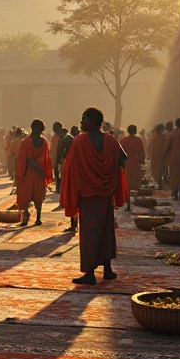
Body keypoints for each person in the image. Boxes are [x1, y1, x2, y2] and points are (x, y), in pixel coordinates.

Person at [60, 107, 128, 285]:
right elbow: (123, 159)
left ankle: (89, 273)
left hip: (88, 196)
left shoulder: (80, 142)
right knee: (106, 231)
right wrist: (108, 174)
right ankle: (108, 270)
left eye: (84, 119)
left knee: (90, 233)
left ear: (92, 121)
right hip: (105, 195)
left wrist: (87, 176)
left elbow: (71, 167)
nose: (81, 122)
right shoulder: (111, 141)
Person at [16, 121, 52, 226]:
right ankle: (35, 217)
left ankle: (34, 216)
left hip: (30, 173)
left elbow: (26, 159)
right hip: (36, 172)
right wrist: (40, 169)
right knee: (36, 195)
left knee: (33, 196)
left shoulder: (26, 142)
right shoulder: (41, 142)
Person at [120, 124, 146, 212]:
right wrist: (141, 161)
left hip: (127, 163)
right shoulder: (139, 140)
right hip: (135, 162)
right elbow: (142, 153)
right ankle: (134, 202)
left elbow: (120, 154)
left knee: (127, 183)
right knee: (135, 181)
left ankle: (128, 203)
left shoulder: (124, 140)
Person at [148, 123, 166, 189]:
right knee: (159, 172)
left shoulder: (154, 139)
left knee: (157, 172)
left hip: (157, 158)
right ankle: (159, 182)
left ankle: (159, 182)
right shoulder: (163, 138)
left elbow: (150, 149)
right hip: (160, 158)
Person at [6, 128, 22, 192]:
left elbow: (11, 152)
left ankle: (17, 186)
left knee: (16, 173)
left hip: (16, 158)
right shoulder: (24, 141)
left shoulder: (13, 142)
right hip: (23, 159)